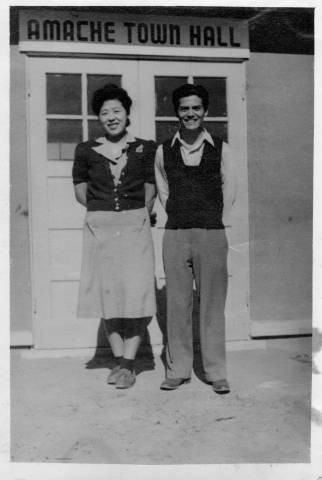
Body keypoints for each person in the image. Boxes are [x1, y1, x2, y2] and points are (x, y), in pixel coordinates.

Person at [72, 84, 157, 389]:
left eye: (116, 111)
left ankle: (128, 364)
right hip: (101, 227)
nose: (111, 117)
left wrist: (137, 215)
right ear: (99, 117)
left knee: (136, 294)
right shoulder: (85, 150)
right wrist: (106, 210)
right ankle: (120, 361)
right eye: (105, 112)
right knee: (107, 295)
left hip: (135, 226)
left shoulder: (146, 147)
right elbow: (82, 192)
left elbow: (151, 188)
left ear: (126, 113)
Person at [155, 83, 237, 393]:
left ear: (205, 111)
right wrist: (183, 214)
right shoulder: (164, 151)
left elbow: (229, 192)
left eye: (196, 108)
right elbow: (164, 193)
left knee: (212, 304)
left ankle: (216, 371)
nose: (190, 113)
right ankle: (178, 369)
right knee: (177, 304)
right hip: (175, 234)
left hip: (212, 233)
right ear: (176, 112)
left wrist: (210, 218)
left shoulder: (222, 148)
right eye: (184, 108)